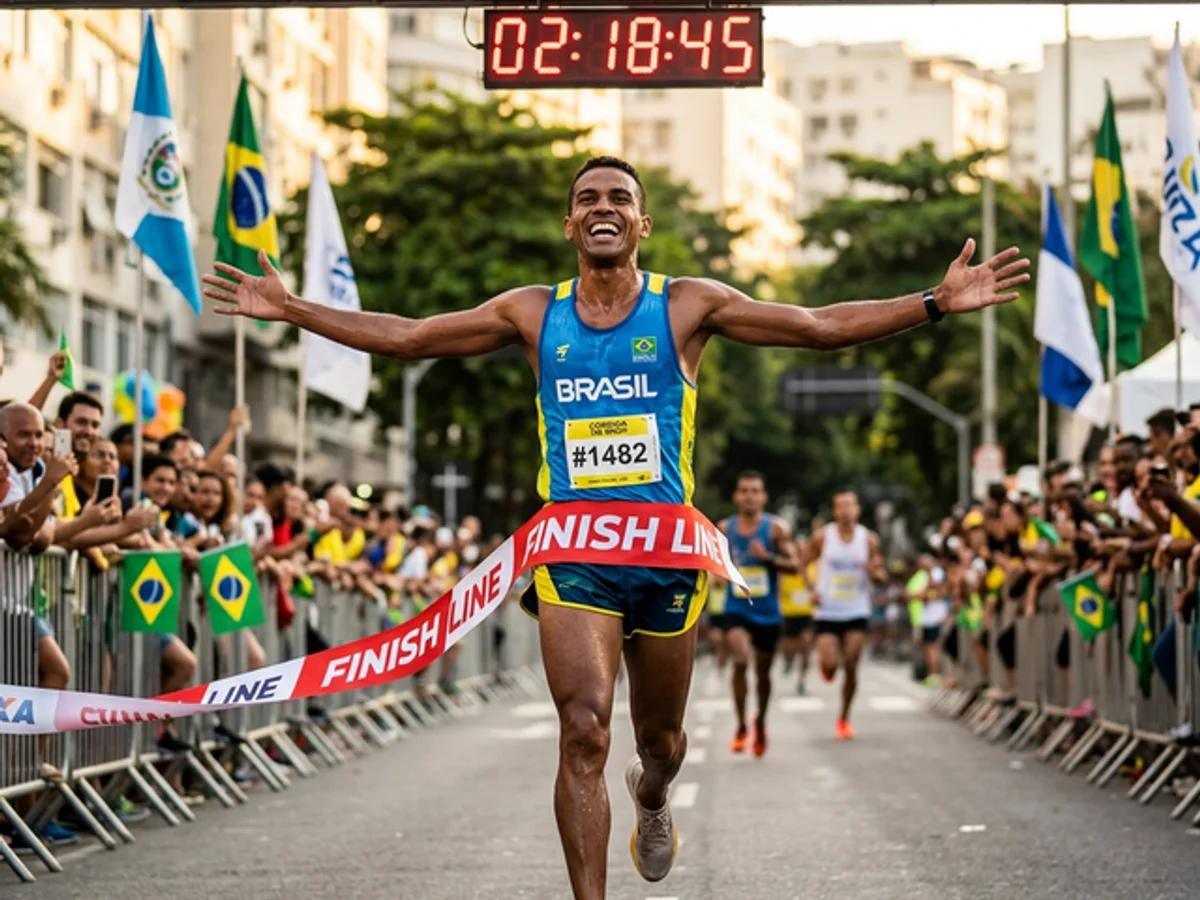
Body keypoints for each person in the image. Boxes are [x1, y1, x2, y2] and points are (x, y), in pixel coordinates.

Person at [203, 155, 1029, 898]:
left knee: (658, 740)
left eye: (620, 198)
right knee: (583, 730)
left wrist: (933, 302)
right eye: (588, 198)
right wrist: (295, 309)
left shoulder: (688, 306)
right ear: (570, 224)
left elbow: (814, 327)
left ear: (642, 222)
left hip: (666, 558)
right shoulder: (532, 314)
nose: (604, 207)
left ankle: (655, 793)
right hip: (574, 557)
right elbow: (413, 338)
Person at [719, 471, 798, 756]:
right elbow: (713, 562)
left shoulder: (775, 529)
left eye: (754, 491)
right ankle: (741, 724)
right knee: (741, 660)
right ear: (736, 496)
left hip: (767, 612)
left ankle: (760, 721)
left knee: (763, 674)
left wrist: (768, 558)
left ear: (763, 497)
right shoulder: (724, 528)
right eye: (744, 491)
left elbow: (795, 565)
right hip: (737, 607)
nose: (749, 496)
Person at [802, 490, 886, 739]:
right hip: (828, 610)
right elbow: (802, 562)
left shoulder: (868, 539)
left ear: (857, 511)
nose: (846, 511)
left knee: (851, 664)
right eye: (841, 506)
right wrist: (811, 589)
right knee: (831, 664)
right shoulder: (822, 537)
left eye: (850, 506)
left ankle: (844, 718)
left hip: (856, 609)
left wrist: (874, 573)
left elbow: (880, 574)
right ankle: (827, 666)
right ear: (835, 511)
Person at [779, 545, 816, 695]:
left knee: (806, 647)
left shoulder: (812, 569)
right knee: (789, 647)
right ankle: (788, 659)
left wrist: (804, 574)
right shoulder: (785, 569)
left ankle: (802, 681)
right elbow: (778, 589)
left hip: (806, 614)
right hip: (789, 614)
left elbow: (814, 587)